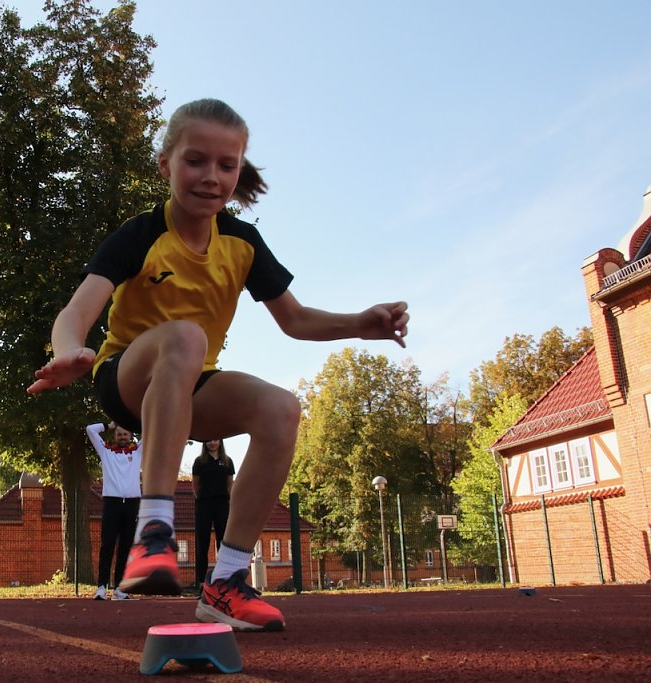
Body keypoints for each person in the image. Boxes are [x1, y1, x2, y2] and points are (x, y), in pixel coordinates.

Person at [28, 98, 409, 632]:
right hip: (127, 376)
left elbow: (296, 320)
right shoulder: (141, 234)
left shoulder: (242, 243)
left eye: (226, 165)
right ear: (166, 165)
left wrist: (361, 323)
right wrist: (69, 350)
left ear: (237, 172)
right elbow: (76, 312)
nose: (211, 176)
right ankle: (154, 532)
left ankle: (226, 583)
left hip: (190, 386)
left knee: (281, 408)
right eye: (195, 161)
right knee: (186, 335)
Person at [85, 420, 143, 600]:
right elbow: (90, 430)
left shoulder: (138, 451)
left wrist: (134, 420)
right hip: (112, 503)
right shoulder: (106, 451)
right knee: (108, 544)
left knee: (126, 546)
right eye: (119, 434)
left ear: (131, 436)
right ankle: (102, 587)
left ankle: (119, 588)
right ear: (115, 436)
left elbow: (152, 429)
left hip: (132, 504)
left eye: (125, 434)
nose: (122, 437)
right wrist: (109, 425)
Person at [191, 439, 235, 587]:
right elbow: (195, 485)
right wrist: (202, 499)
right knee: (202, 543)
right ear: (204, 443)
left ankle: (223, 580)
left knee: (223, 542)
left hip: (222, 504)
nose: (212, 443)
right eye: (209, 440)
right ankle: (202, 583)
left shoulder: (227, 461)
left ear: (220, 442)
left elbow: (230, 484)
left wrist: (228, 500)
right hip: (204, 505)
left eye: (216, 439)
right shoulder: (199, 462)